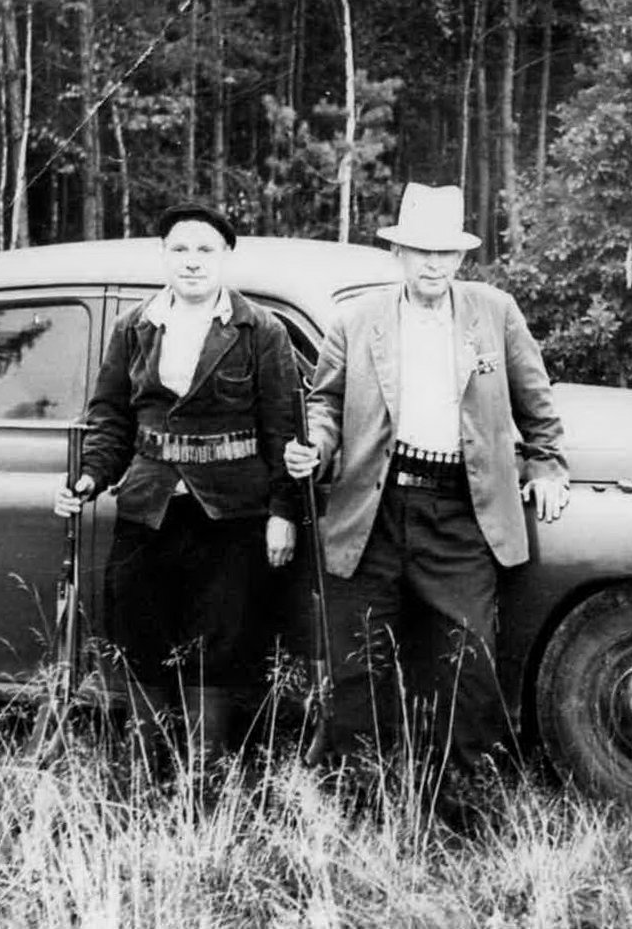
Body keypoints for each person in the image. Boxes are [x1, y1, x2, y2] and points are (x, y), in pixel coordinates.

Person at [283, 183, 569, 776]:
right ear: (398, 253)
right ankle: (355, 789)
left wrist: (545, 464)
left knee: (467, 663)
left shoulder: (496, 313)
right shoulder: (356, 321)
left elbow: (536, 401)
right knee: (358, 661)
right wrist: (316, 445)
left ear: (461, 257)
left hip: (461, 513)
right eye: (421, 251)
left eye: (445, 252)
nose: (433, 264)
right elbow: (326, 404)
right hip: (373, 511)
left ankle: (460, 796)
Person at [54, 202, 298, 761]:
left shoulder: (260, 330)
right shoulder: (134, 327)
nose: (192, 261)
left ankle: (204, 771)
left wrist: (283, 512)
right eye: (180, 249)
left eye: (205, 249)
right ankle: (149, 765)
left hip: (232, 514)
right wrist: (90, 476)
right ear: (163, 256)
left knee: (223, 640)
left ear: (226, 256)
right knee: (139, 631)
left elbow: (284, 429)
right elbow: (110, 416)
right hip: (149, 508)